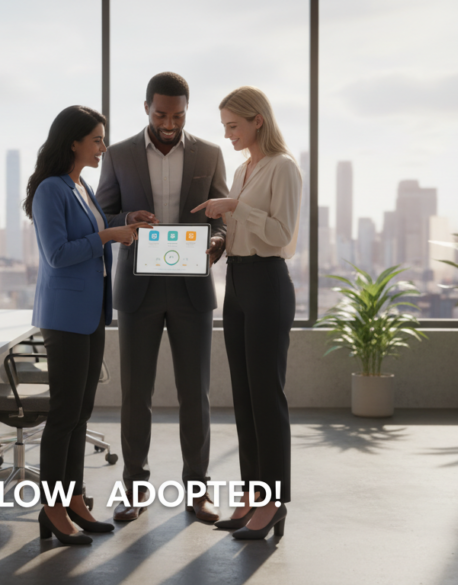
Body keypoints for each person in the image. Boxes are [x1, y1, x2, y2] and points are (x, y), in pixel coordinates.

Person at [96, 72, 229, 524]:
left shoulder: (210, 154)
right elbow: (102, 213)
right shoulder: (118, 155)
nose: (169, 123)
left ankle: (199, 491)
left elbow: (222, 216)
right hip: (138, 288)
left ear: (187, 110)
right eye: (160, 114)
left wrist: (217, 243)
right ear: (147, 108)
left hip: (192, 288)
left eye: (177, 115)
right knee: (136, 394)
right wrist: (127, 217)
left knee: (196, 394)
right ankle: (133, 490)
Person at [27, 105, 151, 545]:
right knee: (63, 415)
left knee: (80, 413)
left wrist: (124, 221)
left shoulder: (79, 186)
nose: (103, 147)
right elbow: (58, 254)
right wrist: (107, 237)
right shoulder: (50, 190)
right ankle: (52, 507)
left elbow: (98, 227)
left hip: (92, 312)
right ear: (74, 141)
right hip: (64, 317)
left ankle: (75, 498)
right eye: (97, 139)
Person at [191, 86, 301, 539]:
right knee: (244, 396)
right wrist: (221, 241)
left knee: (266, 397)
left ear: (258, 120)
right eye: (224, 127)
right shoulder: (242, 170)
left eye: (233, 126)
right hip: (236, 282)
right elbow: (242, 231)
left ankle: (273, 502)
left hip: (268, 284)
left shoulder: (283, 168)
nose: (228, 135)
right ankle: (253, 495)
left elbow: (282, 236)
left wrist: (237, 206)